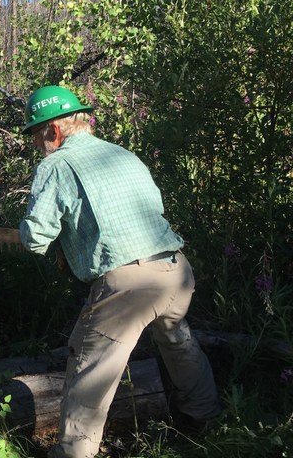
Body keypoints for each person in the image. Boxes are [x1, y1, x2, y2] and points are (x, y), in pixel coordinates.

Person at [19, 85, 221, 458]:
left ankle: (73, 453)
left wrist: (42, 236)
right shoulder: (121, 154)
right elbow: (152, 206)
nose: (35, 143)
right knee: (178, 341)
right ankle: (204, 419)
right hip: (174, 269)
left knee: (90, 367)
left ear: (54, 130)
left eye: (35, 134)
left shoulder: (56, 164)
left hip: (130, 284)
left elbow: (35, 237)